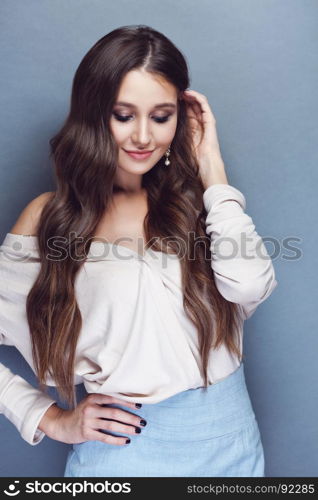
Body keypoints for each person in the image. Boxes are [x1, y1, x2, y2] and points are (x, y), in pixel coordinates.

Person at [0, 25, 278, 477]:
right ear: (93, 115)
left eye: (161, 115)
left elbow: (250, 285)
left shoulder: (201, 204)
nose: (143, 137)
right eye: (124, 115)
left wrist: (213, 169)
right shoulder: (49, 218)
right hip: (126, 454)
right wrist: (48, 419)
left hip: (233, 445)